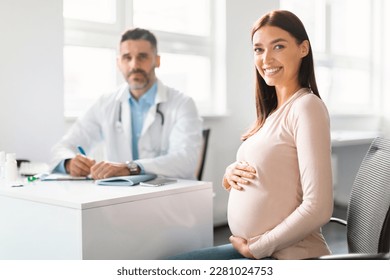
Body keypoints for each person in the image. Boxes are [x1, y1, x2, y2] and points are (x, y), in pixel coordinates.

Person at [170, 10, 333, 260]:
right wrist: (230, 175)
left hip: (286, 256)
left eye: (278, 46)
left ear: (303, 49)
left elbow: (319, 208)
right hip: (259, 253)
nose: (266, 58)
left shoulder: (306, 106)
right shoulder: (272, 113)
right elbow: (275, 173)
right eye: (258, 49)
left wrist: (257, 247)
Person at [51, 28, 203, 180]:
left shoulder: (183, 104)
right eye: (127, 57)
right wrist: (69, 163)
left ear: (157, 60)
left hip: (170, 196)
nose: (134, 65)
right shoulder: (105, 104)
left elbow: (186, 161)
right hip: (120, 196)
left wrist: (130, 168)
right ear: (118, 63)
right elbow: (63, 147)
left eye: (142, 57)